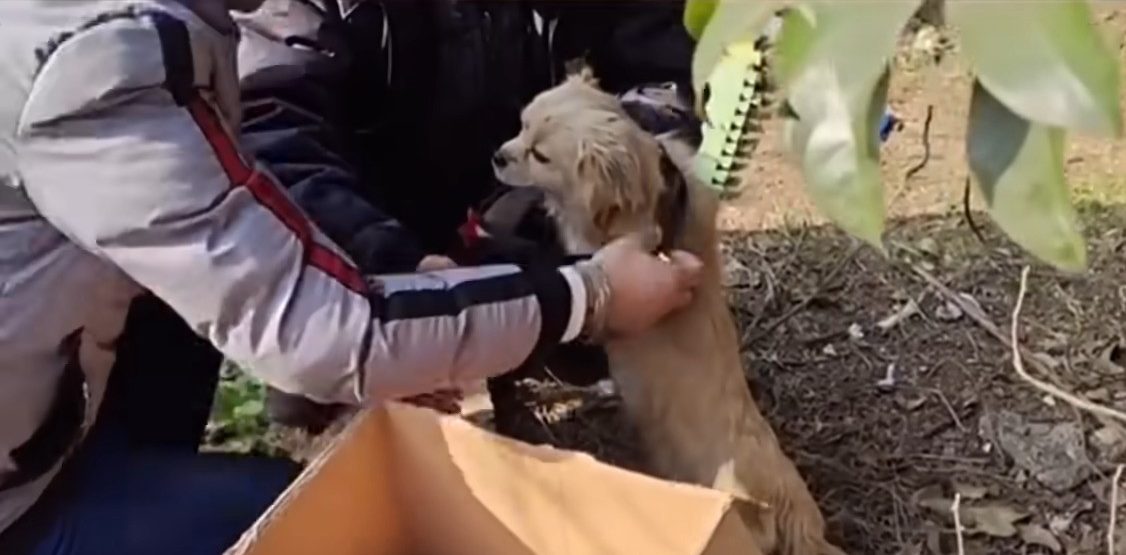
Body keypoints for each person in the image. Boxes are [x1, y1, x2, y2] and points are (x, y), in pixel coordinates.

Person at [0, 0, 701, 553]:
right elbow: (317, 319)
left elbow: (659, 60)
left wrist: (620, 171)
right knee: (307, 523)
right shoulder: (102, 74)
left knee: (196, 308)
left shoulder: (128, 26)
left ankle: (133, 474)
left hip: (42, 397)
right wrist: (589, 295)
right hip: (15, 500)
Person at [231, 0, 702, 430]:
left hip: (513, 192)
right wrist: (393, 264)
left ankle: (538, 324)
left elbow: (661, 68)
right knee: (324, 383)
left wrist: (627, 166)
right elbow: (275, 139)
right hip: (367, 221)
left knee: (649, 233)